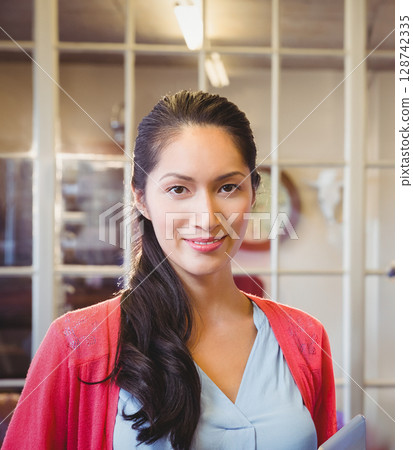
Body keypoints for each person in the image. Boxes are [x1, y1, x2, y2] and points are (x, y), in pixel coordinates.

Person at [3, 90, 336, 450]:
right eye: (178, 189)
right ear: (141, 198)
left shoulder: (306, 338)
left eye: (228, 187)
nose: (207, 218)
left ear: (253, 194)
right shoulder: (77, 343)